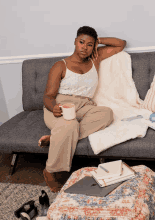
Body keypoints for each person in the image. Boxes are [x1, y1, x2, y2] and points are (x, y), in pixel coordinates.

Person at [39, 26, 126, 192]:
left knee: (106, 113)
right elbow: (48, 96)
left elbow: (121, 44)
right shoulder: (60, 65)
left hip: (85, 106)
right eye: (81, 42)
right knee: (69, 124)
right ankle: (51, 171)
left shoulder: (95, 59)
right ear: (75, 41)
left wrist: (98, 42)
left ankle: (56, 137)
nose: (84, 47)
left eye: (89, 44)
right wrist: (54, 108)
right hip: (61, 105)